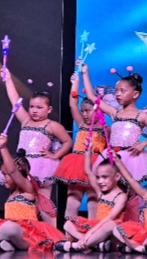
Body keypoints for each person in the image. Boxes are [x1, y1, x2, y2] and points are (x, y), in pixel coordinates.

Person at [0, 135, 64, 252]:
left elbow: (12, 170)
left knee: (10, 227)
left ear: (19, 175)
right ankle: (7, 244)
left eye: (6, 175)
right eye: (3, 174)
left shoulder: (28, 188)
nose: (3, 178)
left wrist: (3, 148)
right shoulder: (12, 193)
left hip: (27, 234)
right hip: (12, 231)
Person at [1, 67, 72, 226]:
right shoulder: (26, 120)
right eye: (32, 106)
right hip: (23, 165)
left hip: (41, 166)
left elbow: (68, 141)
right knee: (19, 196)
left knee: (44, 199)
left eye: (39, 108)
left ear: (49, 109)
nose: (34, 110)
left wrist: (55, 155)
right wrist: (8, 79)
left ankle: (52, 232)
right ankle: (20, 226)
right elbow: (15, 101)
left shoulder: (52, 125)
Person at [82, 64, 147, 183]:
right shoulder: (115, 112)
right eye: (116, 91)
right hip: (113, 155)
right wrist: (85, 73)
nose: (118, 94)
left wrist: (144, 143)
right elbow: (91, 96)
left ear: (135, 94)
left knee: (131, 188)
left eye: (122, 91)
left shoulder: (142, 116)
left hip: (132, 157)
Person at [52, 72, 106, 218]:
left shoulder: (105, 130)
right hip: (76, 165)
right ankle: (69, 228)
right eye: (83, 111)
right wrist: (75, 82)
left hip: (94, 166)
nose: (84, 114)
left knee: (93, 200)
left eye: (88, 111)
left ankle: (92, 228)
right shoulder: (82, 124)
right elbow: (72, 104)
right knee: (72, 199)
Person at [57, 146, 127, 252]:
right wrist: (88, 153)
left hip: (108, 230)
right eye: (98, 177)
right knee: (68, 224)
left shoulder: (121, 196)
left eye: (105, 177)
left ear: (117, 177)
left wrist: (89, 233)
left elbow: (110, 217)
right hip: (96, 227)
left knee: (110, 225)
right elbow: (88, 172)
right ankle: (95, 245)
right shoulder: (100, 192)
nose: (100, 181)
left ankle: (76, 246)